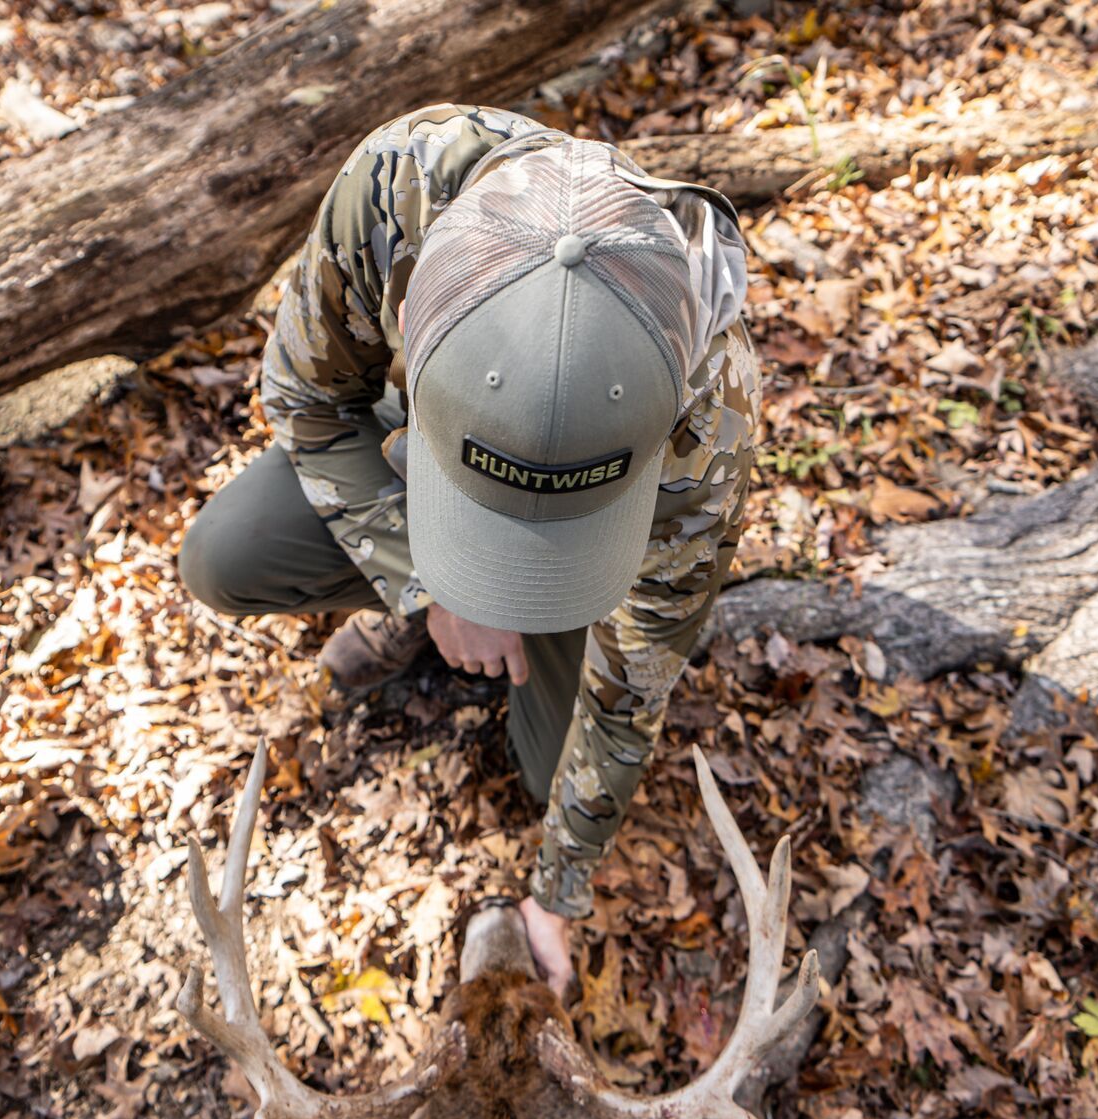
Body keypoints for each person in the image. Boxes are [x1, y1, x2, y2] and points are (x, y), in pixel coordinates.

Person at [178, 104, 758, 996]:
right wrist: (428, 589)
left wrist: (554, 897)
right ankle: (430, 595)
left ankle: (541, 582)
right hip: (416, 441)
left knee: (543, 775)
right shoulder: (395, 187)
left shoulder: (708, 431)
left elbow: (634, 682)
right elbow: (306, 400)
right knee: (228, 555)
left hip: (579, 528)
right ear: (409, 316)